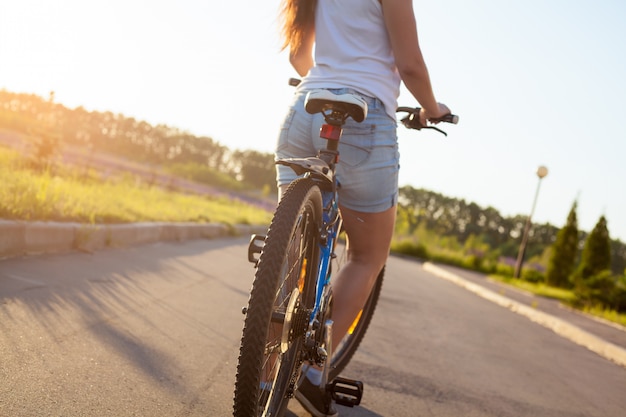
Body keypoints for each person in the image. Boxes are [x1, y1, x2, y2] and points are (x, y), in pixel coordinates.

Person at [276, 1, 450, 416]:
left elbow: (299, 56)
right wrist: (430, 108)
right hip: (366, 116)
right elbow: (409, 64)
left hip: (305, 109)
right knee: (367, 255)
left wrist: (328, 83)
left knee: (290, 247)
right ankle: (314, 373)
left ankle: (263, 379)